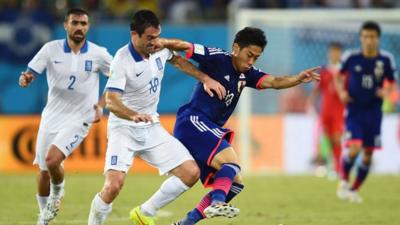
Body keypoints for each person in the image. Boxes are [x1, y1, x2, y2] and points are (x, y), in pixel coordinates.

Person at [154, 27, 320, 225]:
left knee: (235, 183)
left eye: (256, 58)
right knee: (230, 162)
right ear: (236, 48)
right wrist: (161, 42)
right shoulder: (218, 58)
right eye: (249, 55)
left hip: (207, 129)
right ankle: (216, 202)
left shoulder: (247, 74)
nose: (251, 62)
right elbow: (185, 46)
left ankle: (186, 222)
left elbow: (274, 82)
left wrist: (297, 79)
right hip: (193, 121)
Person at [87, 9, 226, 225]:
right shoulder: (122, 61)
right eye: (150, 38)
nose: (155, 42)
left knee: (190, 173)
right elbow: (112, 101)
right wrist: (133, 115)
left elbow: (178, 61)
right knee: (113, 186)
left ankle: (144, 213)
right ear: (135, 34)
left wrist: (204, 78)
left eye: (157, 36)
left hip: (151, 127)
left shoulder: (160, 49)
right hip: (124, 128)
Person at [18, 8, 112, 225]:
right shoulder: (51, 49)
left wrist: (101, 105)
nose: (79, 27)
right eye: (75, 23)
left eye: (83, 23)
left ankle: (58, 192)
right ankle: (44, 216)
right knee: (43, 171)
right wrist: (26, 78)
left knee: (52, 160)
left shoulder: (98, 53)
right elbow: (31, 72)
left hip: (80, 117)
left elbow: (118, 76)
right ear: (66, 25)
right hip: (52, 116)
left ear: (88, 26)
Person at [336, 21, 396, 203]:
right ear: (361, 38)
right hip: (354, 109)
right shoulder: (351, 57)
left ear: (378, 39)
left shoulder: (386, 59)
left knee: (368, 154)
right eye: (365, 36)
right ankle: (344, 181)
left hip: (374, 112)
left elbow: (392, 82)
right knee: (354, 148)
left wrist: (386, 91)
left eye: (372, 37)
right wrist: (342, 92)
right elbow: (338, 76)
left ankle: (354, 190)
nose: (369, 40)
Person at [308, 42, 344, 178]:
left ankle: (338, 168)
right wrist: (310, 102)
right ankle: (326, 166)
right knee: (326, 139)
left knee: (337, 138)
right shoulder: (324, 70)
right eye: (332, 51)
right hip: (325, 111)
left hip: (339, 112)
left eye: (336, 51)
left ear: (340, 53)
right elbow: (317, 89)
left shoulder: (344, 71)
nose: (334, 54)